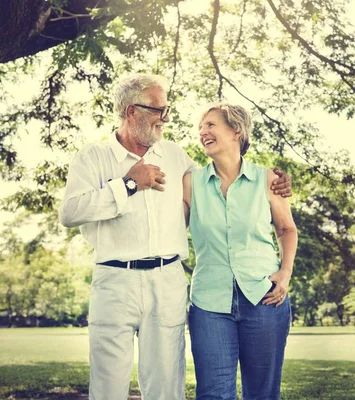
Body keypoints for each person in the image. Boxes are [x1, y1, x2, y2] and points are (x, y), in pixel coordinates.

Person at [59, 74, 291, 400]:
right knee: (108, 385)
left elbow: (222, 181)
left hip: (168, 280)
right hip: (115, 281)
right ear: (131, 112)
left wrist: (273, 183)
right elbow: (70, 212)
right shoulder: (94, 157)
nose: (166, 118)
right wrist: (127, 184)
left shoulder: (173, 154)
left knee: (166, 387)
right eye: (158, 110)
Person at [182, 103, 298, 400]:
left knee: (262, 394)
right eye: (201, 127)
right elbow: (170, 232)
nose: (203, 132)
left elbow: (286, 230)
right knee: (213, 395)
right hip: (209, 303)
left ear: (236, 131)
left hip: (265, 298)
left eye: (211, 125)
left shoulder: (268, 179)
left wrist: (284, 274)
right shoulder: (190, 183)